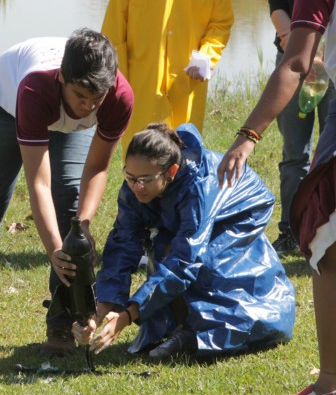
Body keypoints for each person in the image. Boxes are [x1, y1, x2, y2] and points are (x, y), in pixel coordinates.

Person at [0, 28, 135, 357]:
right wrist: (53, 250)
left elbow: (98, 169)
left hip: (58, 115)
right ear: (64, 78)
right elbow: (38, 181)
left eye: (97, 97)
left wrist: (85, 226)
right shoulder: (35, 89)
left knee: (70, 212)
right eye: (81, 95)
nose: (88, 106)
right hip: (7, 106)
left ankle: (63, 323)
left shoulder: (119, 96)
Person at [72, 123, 295, 359]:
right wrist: (101, 310)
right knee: (162, 251)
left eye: (145, 179)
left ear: (171, 171)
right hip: (182, 210)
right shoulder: (135, 187)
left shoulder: (199, 186)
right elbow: (121, 248)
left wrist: (128, 316)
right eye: (130, 176)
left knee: (203, 261)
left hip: (240, 211)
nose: (137, 186)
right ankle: (180, 325)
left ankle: (207, 330)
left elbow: (185, 261)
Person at [219, 0, 336, 393]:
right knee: (326, 242)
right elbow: (296, 59)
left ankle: (328, 382)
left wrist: (247, 136)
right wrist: (249, 135)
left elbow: (295, 61)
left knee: (327, 244)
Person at [101, 0, 233, 150]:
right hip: (142, 84)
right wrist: (116, 83)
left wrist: (206, 56)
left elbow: (221, 23)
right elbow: (114, 27)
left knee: (184, 153)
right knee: (141, 152)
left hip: (187, 84)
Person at [263, 0, 336, 255]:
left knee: (328, 158)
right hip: (293, 52)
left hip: (328, 59)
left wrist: (318, 53)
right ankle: (291, 232)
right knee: (294, 152)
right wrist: (288, 35)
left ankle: (322, 231)